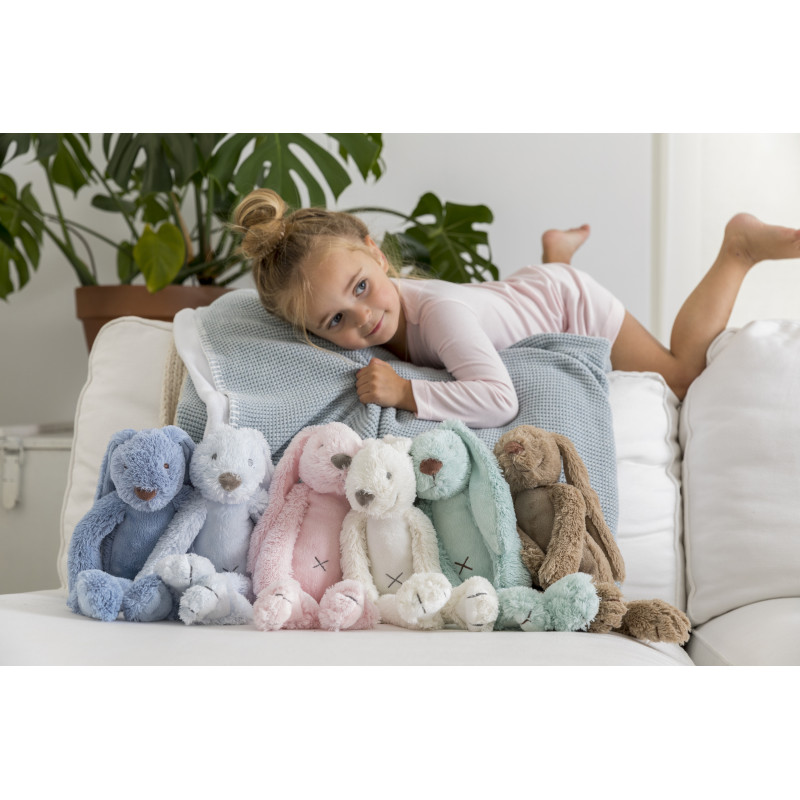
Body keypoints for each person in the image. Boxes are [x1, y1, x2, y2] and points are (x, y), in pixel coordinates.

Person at [234, 188, 800, 428]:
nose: (363, 318)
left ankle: (737, 250)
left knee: (680, 378)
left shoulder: (440, 315)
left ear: (377, 254)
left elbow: (500, 400)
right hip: (516, 296)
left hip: (570, 305)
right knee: (508, 308)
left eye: (361, 287)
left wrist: (407, 393)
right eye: (335, 320)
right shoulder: (393, 314)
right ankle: (556, 255)